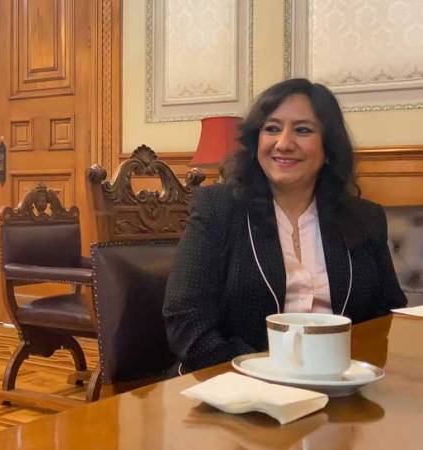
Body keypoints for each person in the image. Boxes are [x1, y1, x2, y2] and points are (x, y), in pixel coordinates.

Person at [163, 78, 407, 373]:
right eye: (272, 129)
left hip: (336, 381)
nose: (283, 143)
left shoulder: (365, 218)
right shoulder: (218, 208)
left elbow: (385, 316)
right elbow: (186, 320)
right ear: (256, 141)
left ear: (329, 146)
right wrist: (265, 372)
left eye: (303, 130)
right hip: (234, 381)